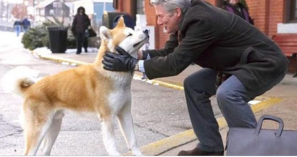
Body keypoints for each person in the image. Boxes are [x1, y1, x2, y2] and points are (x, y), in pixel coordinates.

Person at [102, 0, 288, 155]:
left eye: (160, 16)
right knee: (194, 85)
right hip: (238, 64)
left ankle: (255, 150)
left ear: (176, 12)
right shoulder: (184, 20)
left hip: (265, 63)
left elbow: (175, 64)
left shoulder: (201, 21)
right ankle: (210, 147)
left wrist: (130, 65)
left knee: (227, 93)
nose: (158, 22)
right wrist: (138, 55)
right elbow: (169, 52)